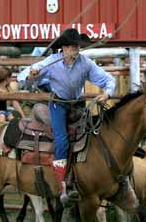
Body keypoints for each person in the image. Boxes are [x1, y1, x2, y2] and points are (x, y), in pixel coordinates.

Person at [29, 28, 115, 206]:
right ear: (64, 48)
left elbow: (109, 80)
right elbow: (30, 75)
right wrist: (33, 73)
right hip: (58, 104)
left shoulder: (86, 64)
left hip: (77, 104)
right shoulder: (51, 62)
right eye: (72, 47)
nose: (76, 50)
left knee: (92, 134)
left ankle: (87, 174)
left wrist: (107, 93)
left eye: (77, 46)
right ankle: (62, 185)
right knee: (62, 141)